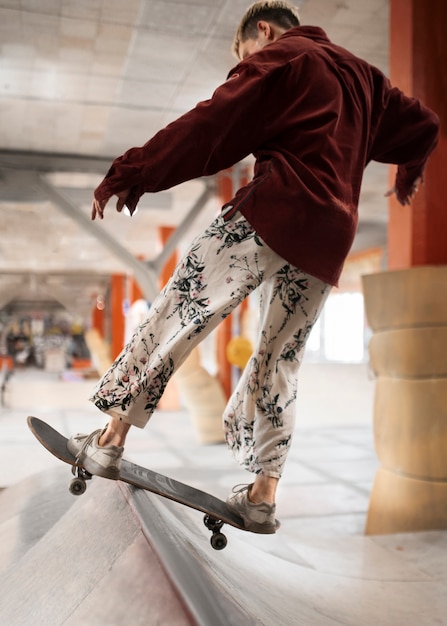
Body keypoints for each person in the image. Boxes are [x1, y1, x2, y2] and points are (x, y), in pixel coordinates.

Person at [68, 1, 439, 533]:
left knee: (183, 308)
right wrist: (409, 169)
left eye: (244, 55)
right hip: (330, 239)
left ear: (261, 31)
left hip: (275, 209)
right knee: (278, 359)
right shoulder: (366, 78)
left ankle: (109, 440)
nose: (246, 63)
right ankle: (263, 495)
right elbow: (424, 123)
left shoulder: (286, 56)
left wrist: (136, 171)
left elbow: (212, 123)